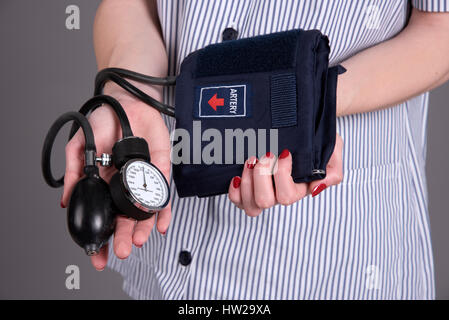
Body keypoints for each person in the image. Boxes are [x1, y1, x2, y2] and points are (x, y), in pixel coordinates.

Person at [62, 0, 449, 299]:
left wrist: (310, 105)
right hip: (169, 252)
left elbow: (440, 30)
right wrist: (132, 97)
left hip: (329, 258)